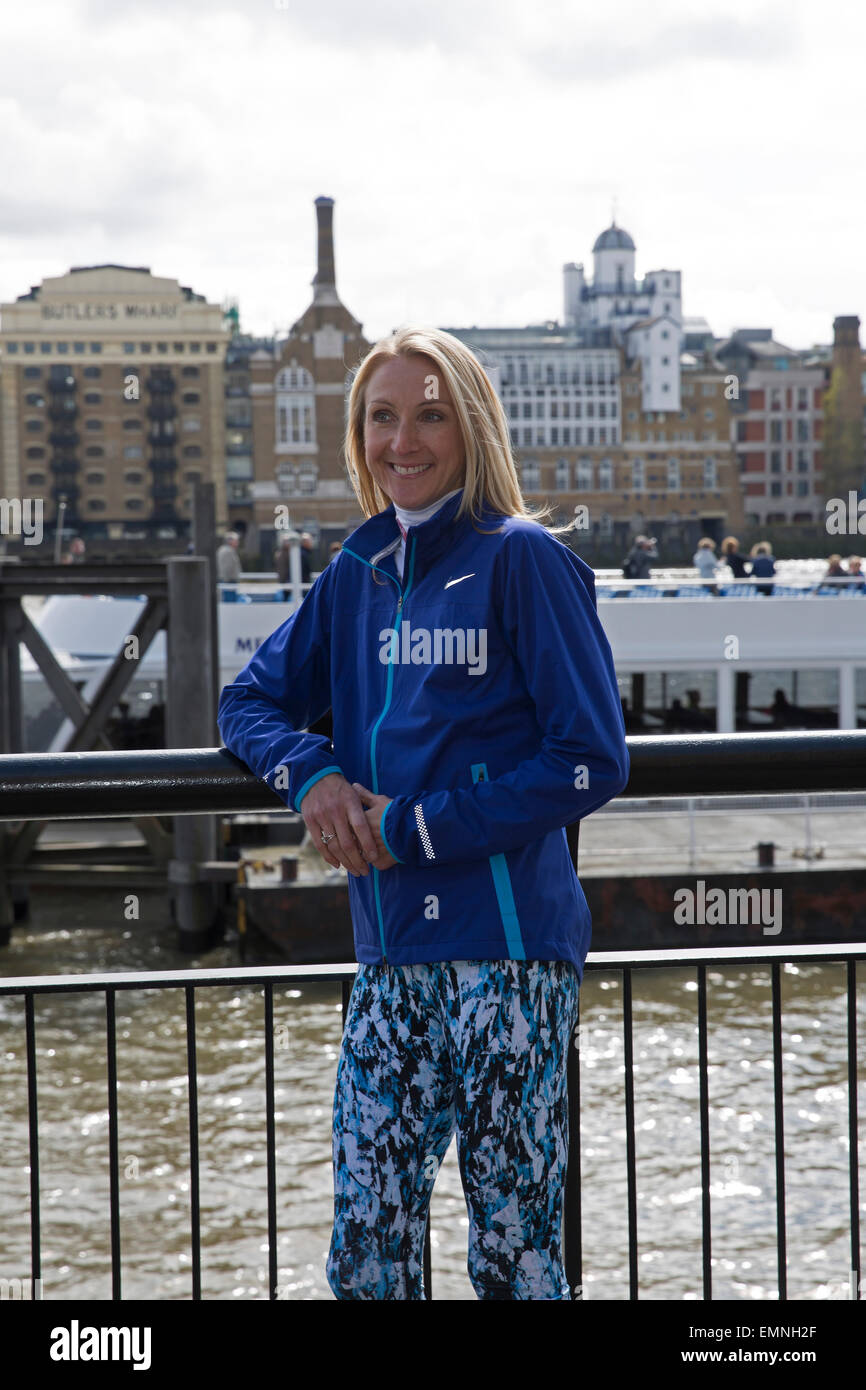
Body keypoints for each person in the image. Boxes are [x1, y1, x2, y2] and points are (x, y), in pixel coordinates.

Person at [217, 325, 630, 1301]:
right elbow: (247, 704)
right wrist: (310, 774)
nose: (402, 440)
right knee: (365, 1253)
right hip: (389, 958)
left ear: (471, 425)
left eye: (430, 415)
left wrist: (411, 826)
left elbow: (590, 759)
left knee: (514, 1257)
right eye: (381, 417)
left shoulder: (522, 559)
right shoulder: (356, 571)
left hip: (507, 960)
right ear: (357, 434)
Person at [216, 531, 241, 601]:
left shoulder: (226, 550)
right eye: (236, 540)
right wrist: (226, 581)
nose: (238, 542)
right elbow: (226, 568)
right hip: (228, 581)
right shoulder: (227, 551)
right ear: (230, 541)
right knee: (229, 603)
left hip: (228, 581)